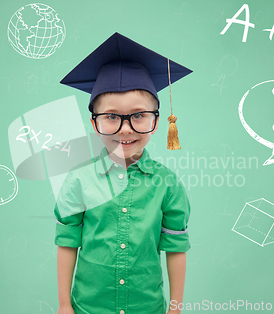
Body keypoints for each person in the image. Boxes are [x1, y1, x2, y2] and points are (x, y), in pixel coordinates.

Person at [54, 32, 192, 314]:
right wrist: (64, 305)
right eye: (112, 117)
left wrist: (175, 308)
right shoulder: (79, 179)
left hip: (147, 307)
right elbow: (68, 242)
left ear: (156, 122)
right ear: (95, 123)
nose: (126, 129)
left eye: (139, 115)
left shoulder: (167, 184)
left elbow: (176, 247)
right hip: (89, 308)